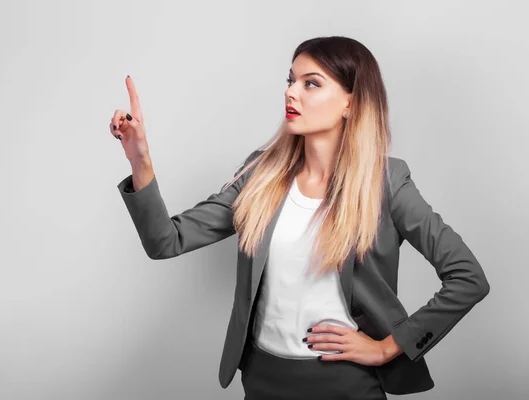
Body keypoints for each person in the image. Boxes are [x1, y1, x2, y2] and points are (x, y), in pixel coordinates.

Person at [111, 36, 490, 399]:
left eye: (311, 83)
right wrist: (139, 158)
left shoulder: (387, 183)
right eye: (291, 80)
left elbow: (468, 277)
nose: (291, 92)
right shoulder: (260, 175)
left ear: (350, 104)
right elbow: (165, 241)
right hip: (262, 380)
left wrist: (388, 347)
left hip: (345, 385)